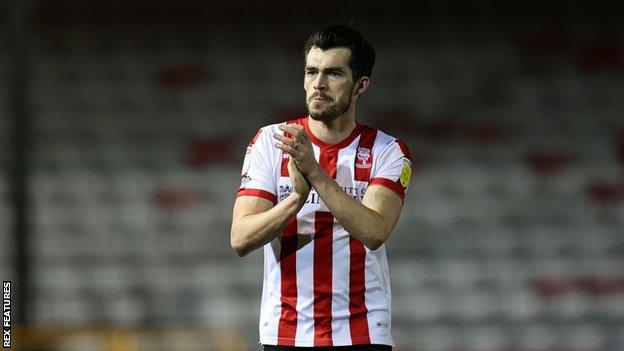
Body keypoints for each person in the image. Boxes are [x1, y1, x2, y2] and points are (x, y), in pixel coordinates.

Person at [230, 24, 413, 351]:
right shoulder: (271, 142)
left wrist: (314, 173)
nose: (318, 84)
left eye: (333, 74)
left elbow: (374, 231)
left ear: (361, 85)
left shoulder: (388, 151)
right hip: (285, 332)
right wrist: (295, 199)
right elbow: (241, 239)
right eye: (311, 71)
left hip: (363, 332)